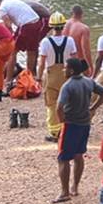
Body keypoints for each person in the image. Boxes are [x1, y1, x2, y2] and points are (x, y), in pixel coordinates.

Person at [54, 58, 103, 203]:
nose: (63, 70)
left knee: (63, 159)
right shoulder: (88, 82)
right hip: (85, 124)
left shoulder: (68, 86)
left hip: (70, 124)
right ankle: (75, 187)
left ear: (71, 70)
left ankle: (64, 192)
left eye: (65, 68)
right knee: (79, 155)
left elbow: (59, 107)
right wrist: (93, 108)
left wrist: (62, 122)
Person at [37, 12, 77, 142]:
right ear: (63, 26)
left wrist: (38, 77)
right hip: (66, 74)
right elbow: (74, 59)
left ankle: (55, 132)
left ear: (51, 26)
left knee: (52, 103)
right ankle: (68, 129)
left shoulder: (45, 42)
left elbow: (42, 62)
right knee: (68, 102)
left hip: (51, 75)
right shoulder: (70, 40)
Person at [0, 0, 45, 81]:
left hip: (26, 25)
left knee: (12, 52)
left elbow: (8, 25)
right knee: (31, 51)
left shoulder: (2, 8)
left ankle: (8, 79)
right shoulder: (13, 1)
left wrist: (8, 37)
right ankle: (30, 77)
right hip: (37, 22)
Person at [64, 5, 93, 76]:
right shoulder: (83, 28)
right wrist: (91, 66)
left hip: (65, 60)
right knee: (88, 80)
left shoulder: (63, 24)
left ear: (72, 13)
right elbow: (85, 50)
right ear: (82, 14)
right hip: (79, 61)